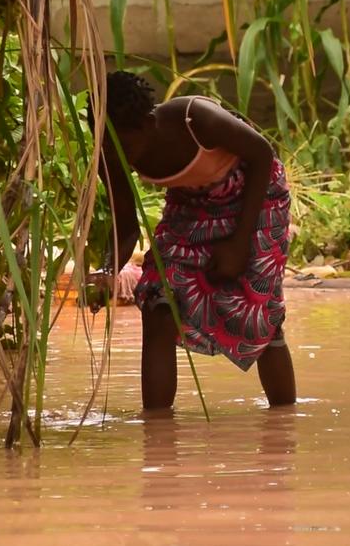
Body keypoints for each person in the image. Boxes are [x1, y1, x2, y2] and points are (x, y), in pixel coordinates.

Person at [85, 71, 296, 410]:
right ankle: (157, 438)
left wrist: (240, 245)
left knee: (262, 316)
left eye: (124, 145)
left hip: (255, 197)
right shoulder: (110, 153)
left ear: (149, 123)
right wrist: (107, 269)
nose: (117, 156)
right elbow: (126, 228)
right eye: (106, 145)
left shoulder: (195, 118)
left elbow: (262, 154)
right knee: (157, 305)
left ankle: (285, 425)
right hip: (191, 205)